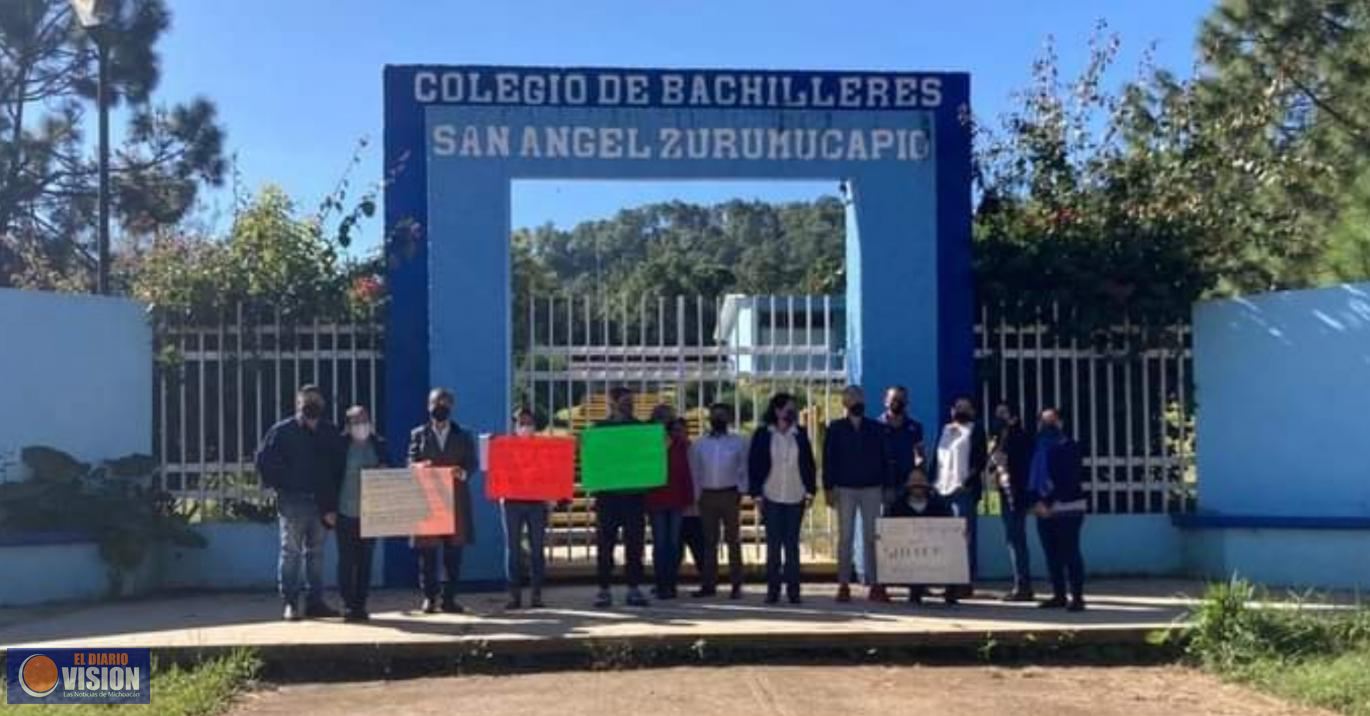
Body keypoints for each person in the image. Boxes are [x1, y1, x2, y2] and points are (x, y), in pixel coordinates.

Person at [254, 384, 343, 621]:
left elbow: (338, 470)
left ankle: (316, 602)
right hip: (293, 502)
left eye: (316, 401)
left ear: (323, 405)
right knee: (290, 553)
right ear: (298, 404)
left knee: (316, 554)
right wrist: (285, 485)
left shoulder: (330, 433)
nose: (311, 405)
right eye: (306, 401)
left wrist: (332, 505)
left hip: (322, 504)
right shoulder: (282, 431)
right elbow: (264, 462)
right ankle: (290, 603)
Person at [408, 387, 478, 614]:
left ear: (452, 407)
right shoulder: (418, 434)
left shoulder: (463, 434)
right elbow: (410, 461)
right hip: (429, 500)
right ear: (428, 406)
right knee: (427, 555)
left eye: (445, 403)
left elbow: (472, 463)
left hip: (455, 499)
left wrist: (463, 472)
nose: (440, 407)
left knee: (453, 553)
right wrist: (419, 467)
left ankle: (450, 599)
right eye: (436, 403)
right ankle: (430, 597)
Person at [823, 385, 895, 603]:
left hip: (872, 488)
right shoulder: (835, 428)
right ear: (844, 403)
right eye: (852, 398)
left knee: (872, 537)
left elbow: (886, 459)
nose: (857, 402)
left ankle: (876, 585)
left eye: (860, 397)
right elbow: (828, 460)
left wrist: (887, 486)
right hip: (844, 488)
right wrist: (828, 488)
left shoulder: (876, 428)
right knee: (845, 537)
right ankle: (843, 584)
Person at [749, 392, 817, 605]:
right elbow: (755, 464)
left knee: (792, 546)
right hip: (771, 495)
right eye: (788, 408)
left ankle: (794, 591)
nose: (792, 412)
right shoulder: (763, 434)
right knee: (774, 545)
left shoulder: (800, 433)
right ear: (777, 410)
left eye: (793, 409)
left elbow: (809, 463)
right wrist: (756, 494)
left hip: (795, 495)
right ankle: (773, 590)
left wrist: (811, 490)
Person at [592, 386, 650, 608]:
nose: (630, 406)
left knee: (634, 544)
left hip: (634, 496)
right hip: (607, 497)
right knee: (605, 545)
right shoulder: (600, 429)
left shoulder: (641, 429)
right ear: (612, 403)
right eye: (626, 402)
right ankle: (603, 589)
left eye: (631, 402)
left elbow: (650, 456)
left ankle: (633, 588)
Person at [688, 402, 749, 599]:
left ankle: (736, 585)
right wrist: (697, 497)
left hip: (730, 494)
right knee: (708, 543)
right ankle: (708, 585)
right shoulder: (699, 444)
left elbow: (744, 468)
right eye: (715, 415)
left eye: (722, 415)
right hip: (707, 495)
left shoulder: (739, 441)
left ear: (729, 419)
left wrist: (741, 490)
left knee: (733, 541)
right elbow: (695, 471)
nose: (718, 419)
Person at [1029, 408, 1087, 612]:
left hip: (1068, 506)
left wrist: (1049, 501)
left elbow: (1069, 478)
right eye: (1044, 422)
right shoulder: (1038, 448)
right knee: (1051, 553)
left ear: (1061, 423)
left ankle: (1077, 597)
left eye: (1052, 421)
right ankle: (1059, 594)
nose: (1047, 426)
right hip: (1043, 508)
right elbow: (1033, 479)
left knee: (1070, 552)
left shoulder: (1070, 446)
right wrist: (1037, 501)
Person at [933, 396, 987, 597]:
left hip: (962, 490)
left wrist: (967, 481)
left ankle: (964, 581)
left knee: (964, 537)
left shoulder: (975, 429)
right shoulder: (946, 429)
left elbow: (980, 459)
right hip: (942, 489)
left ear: (972, 411)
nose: (960, 410)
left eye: (965, 407)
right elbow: (938, 458)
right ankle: (948, 580)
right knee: (945, 538)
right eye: (957, 407)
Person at [335, 405, 385, 622]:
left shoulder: (379, 444)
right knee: (347, 561)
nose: (361, 425)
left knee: (365, 561)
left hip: (370, 513)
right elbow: (329, 478)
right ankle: (347, 604)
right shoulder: (339, 446)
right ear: (348, 426)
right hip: (345, 512)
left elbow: (390, 470)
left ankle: (360, 605)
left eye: (364, 420)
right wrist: (329, 509)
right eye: (356, 421)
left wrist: (384, 469)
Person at [501, 406, 551, 610]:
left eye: (529, 423)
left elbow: (551, 472)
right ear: (514, 425)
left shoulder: (543, 447)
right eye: (521, 423)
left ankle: (536, 595)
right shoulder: (504, 447)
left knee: (537, 549)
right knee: (512, 549)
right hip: (512, 502)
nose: (525, 427)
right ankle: (514, 596)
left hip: (536, 503)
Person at [885, 468, 955, 605]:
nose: (917, 484)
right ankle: (915, 589)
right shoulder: (897, 506)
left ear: (927, 483)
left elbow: (951, 527)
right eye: (913, 481)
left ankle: (952, 589)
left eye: (920, 481)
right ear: (907, 484)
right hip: (907, 554)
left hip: (935, 552)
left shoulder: (939, 504)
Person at [647, 411, 694, 599]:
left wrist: (689, 496)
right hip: (656, 499)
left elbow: (685, 472)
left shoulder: (680, 445)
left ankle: (671, 582)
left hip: (676, 500)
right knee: (660, 543)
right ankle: (661, 583)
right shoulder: (648, 445)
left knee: (673, 544)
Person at [991, 402, 1035, 602]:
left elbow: (1018, 467)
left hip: (1015, 493)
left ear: (1014, 417)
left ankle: (1023, 585)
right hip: (1005, 491)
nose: (999, 418)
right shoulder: (1000, 438)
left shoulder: (1018, 438)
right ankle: (1021, 583)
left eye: (1004, 414)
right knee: (1013, 539)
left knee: (1016, 539)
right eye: (997, 414)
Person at [880, 386, 926, 503]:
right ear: (886, 401)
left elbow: (920, 455)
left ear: (907, 402)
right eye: (893, 398)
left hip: (907, 485)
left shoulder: (915, 427)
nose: (897, 402)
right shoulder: (876, 426)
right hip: (884, 485)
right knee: (885, 520)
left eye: (901, 399)